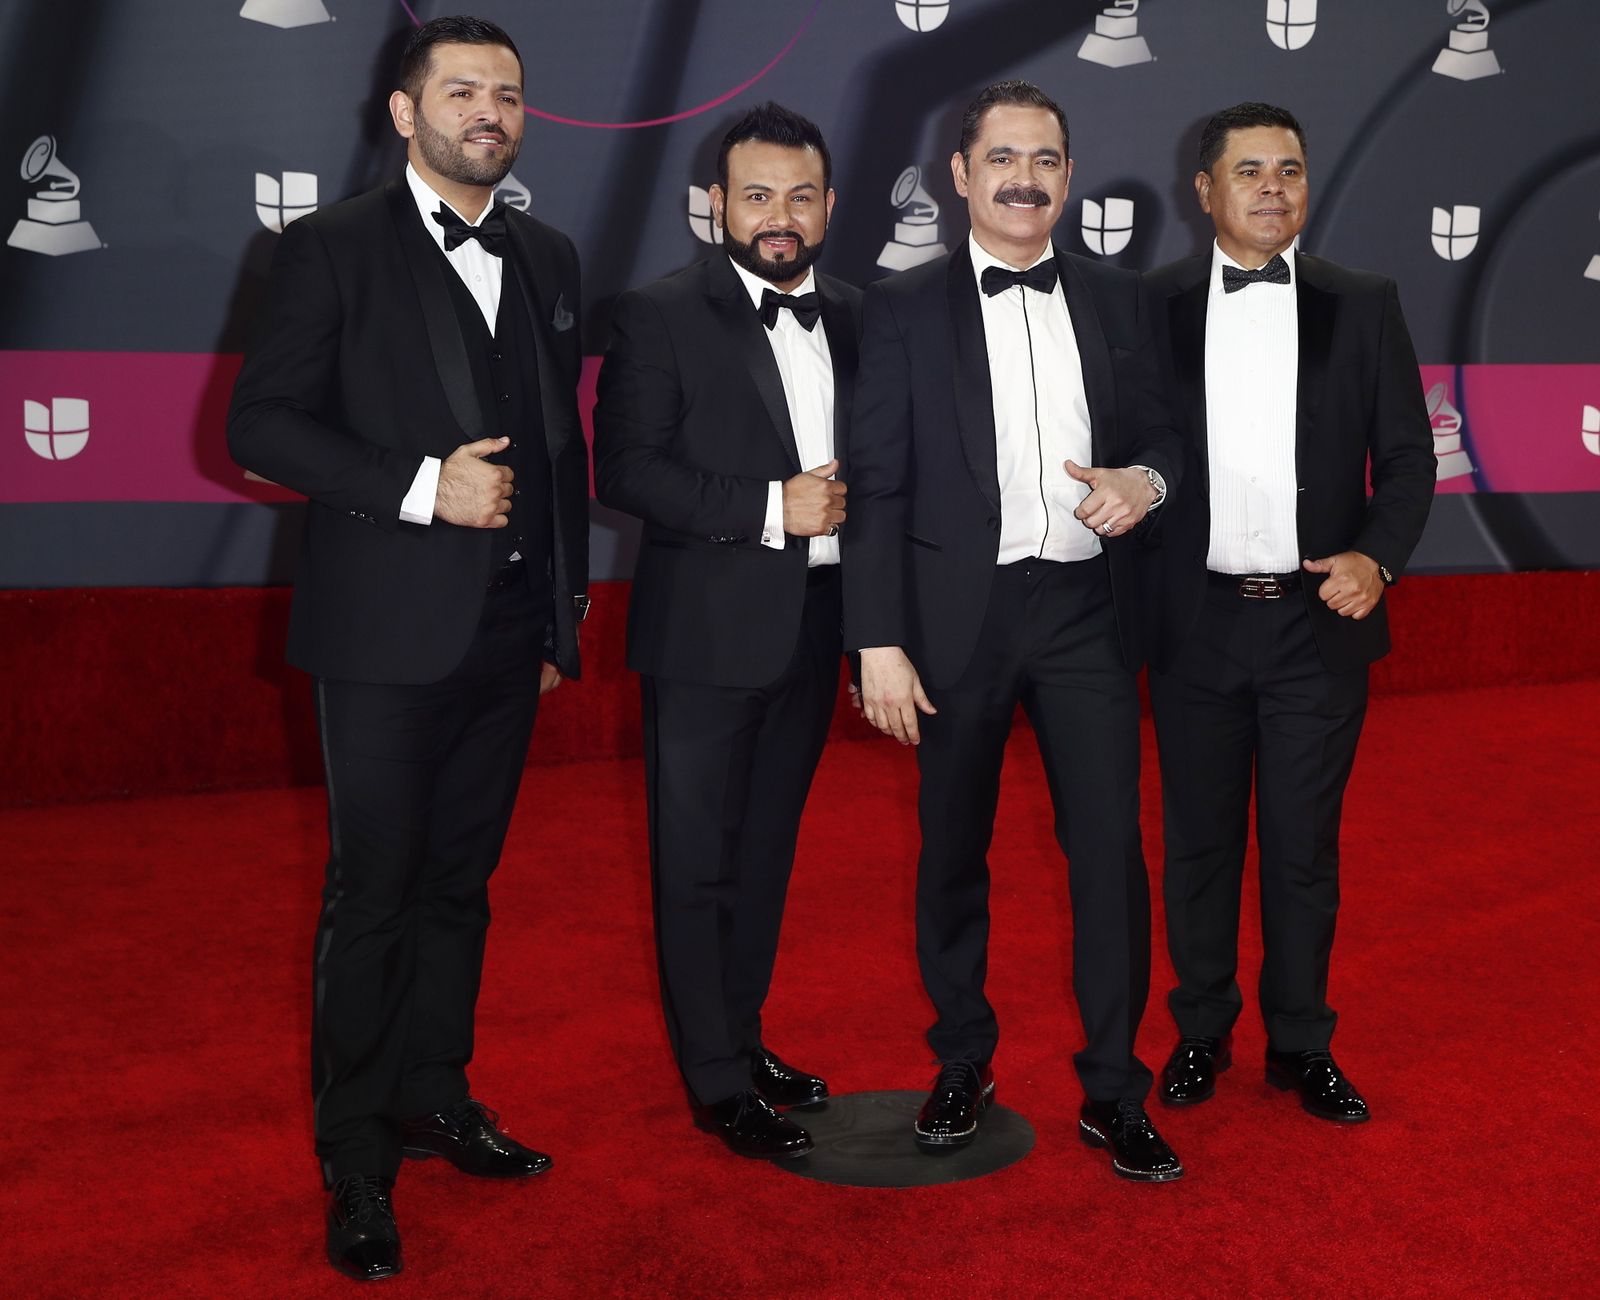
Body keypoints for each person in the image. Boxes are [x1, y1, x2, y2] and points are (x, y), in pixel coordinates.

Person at [227, 15, 589, 1281]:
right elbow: (261, 425)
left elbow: (558, 450)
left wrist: (559, 612)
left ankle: (436, 1094)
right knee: (372, 895)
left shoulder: (548, 254)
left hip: (507, 632)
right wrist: (421, 486)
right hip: (381, 633)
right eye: (461, 91)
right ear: (403, 113)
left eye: (506, 92)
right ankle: (357, 1162)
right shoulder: (324, 250)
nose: (487, 110)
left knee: (460, 884)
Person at [845, 81, 1185, 1181]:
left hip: (1086, 609)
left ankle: (1113, 1089)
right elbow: (878, 486)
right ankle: (961, 1057)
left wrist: (1148, 479)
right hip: (956, 619)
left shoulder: (1126, 300)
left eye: (1044, 158)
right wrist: (876, 638)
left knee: (1107, 853)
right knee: (951, 849)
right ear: (960, 173)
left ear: (1068, 174)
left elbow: (1167, 440)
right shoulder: (896, 310)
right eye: (1001, 158)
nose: (1023, 178)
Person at [1143, 102, 1434, 1124]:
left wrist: (1376, 558)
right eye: (1251, 169)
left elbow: (1406, 457)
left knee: (1303, 845)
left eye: (1291, 170)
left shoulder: (1366, 300)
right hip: (1194, 624)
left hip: (1318, 625)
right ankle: (1199, 1032)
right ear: (1206, 190)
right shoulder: (1154, 305)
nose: (1273, 186)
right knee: (1200, 843)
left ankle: (1301, 1042)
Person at [592, 104, 860, 1160]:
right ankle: (712, 1077)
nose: (779, 217)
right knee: (695, 859)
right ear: (717, 205)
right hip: (703, 634)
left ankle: (742, 1040)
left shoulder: (856, 311)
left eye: (799, 196)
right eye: (757, 195)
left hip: (815, 627)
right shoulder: (659, 315)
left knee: (764, 856)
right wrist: (766, 507)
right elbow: (627, 469)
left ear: (830, 205)